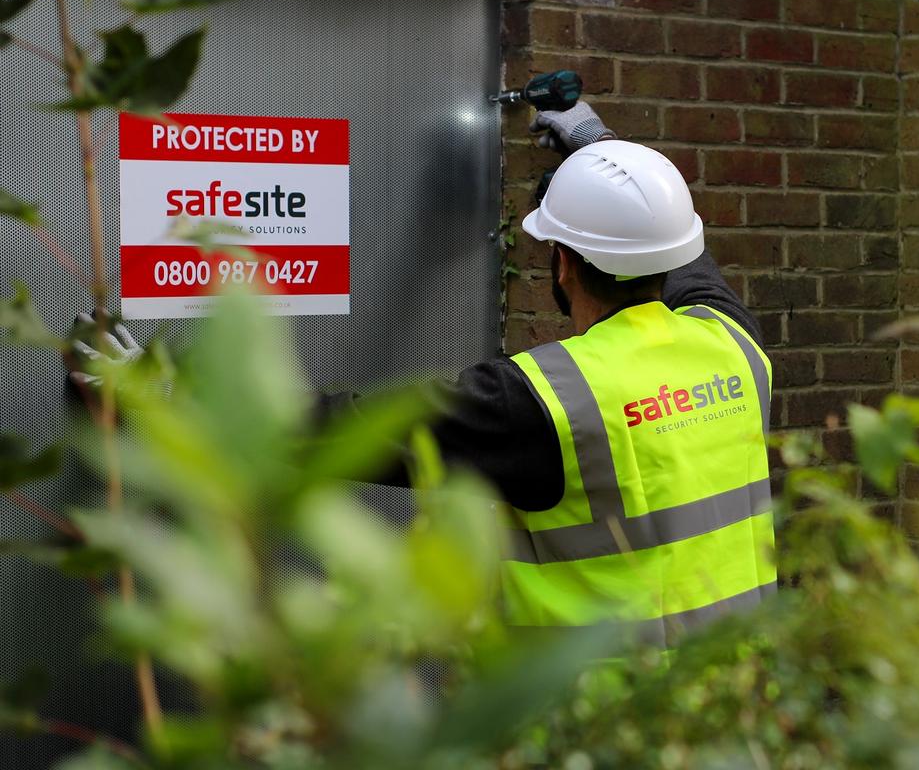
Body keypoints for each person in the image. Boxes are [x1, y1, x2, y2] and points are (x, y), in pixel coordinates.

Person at [77, 102, 776, 649]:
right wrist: (598, 149)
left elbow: (337, 430)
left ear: (561, 263)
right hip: (739, 706)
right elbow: (677, 253)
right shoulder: (732, 343)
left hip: (605, 725)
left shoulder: (546, 403)